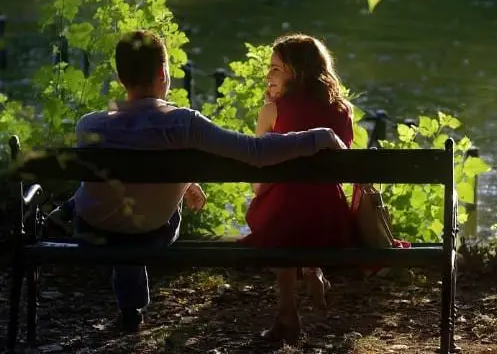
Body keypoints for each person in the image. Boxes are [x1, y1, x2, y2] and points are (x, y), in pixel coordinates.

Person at [68, 30, 346, 333]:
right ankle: (131, 302)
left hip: (92, 230)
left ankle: (128, 305)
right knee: (138, 212)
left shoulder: (89, 125)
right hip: (151, 230)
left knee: (113, 199)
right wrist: (319, 136)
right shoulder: (183, 123)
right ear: (163, 73)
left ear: (121, 78)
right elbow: (256, 152)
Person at [241, 33, 358, 342]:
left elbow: (257, 181)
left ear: (297, 71)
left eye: (276, 68)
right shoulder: (343, 110)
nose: (268, 75)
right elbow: (340, 171)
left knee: (279, 207)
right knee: (306, 200)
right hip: (329, 221)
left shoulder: (273, 111)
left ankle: (288, 312)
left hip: (284, 222)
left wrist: (270, 110)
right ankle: (312, 267)